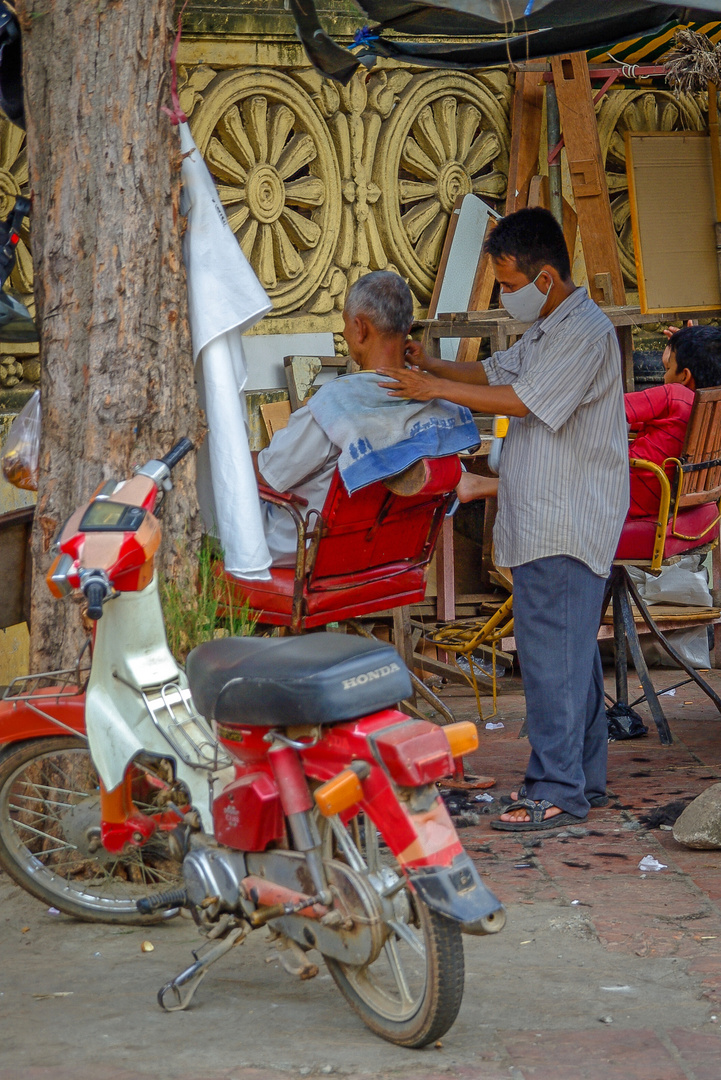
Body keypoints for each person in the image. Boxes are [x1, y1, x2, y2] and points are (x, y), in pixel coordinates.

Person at [378, 207, 629, 831]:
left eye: (512, 285)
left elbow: (519, 400)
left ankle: (554, 789)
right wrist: (431, 368)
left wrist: (428, 391)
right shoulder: (549, 328)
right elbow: (492, 374)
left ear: (545, 278)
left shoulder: (583, 333)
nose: (507, 297)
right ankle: (583, 780)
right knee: (572, 658)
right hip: (549, 515)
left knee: (551, 659)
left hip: (565, 519)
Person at [254, 271, 480, 566]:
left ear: (360, 328)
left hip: (305, 551)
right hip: (385, 555)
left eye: (346, 326)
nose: (346, 335)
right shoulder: (434, 400)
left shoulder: (334, 407)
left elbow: (271, 475)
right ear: (407, 328)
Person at [625, 325, 721, 517]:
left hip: (631, 497)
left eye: (668, 368)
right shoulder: (712, 410)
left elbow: (610, 410)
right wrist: (685, 350)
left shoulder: (673, 394)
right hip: (677, 505)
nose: (664, 374)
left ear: (685, 376)